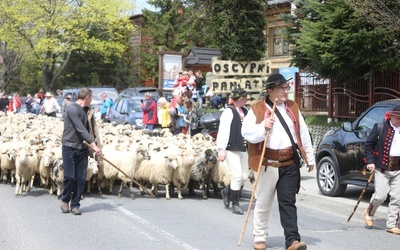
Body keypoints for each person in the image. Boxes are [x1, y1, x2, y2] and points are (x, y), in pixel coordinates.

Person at [242, 73, 315, 250]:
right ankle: (259, 237)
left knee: (288, 202)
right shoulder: (256, 109)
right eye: (282, 88)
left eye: (286, 88)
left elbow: (303, 133)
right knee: (264, 201)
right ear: (270, 90)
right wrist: (263, 126)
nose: (285, 91)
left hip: (289, 162)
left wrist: (310, 157)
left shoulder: (292, 106)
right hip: (267, 163)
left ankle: (292, 240)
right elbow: (246, 132)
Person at [60, 87, 102, 215]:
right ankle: (65, 200)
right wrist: (94, 145)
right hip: (69, 146)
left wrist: (96, 143)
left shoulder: (88, 111)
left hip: (83, 148)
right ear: (87, 97)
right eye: (91, 98)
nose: (92, 101)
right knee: (69, 176)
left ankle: (75, 204)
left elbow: (91, 128)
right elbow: (80, 129)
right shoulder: (72, 109)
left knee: (81, 178)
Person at [364, 104, 400, 235]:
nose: (399, 120)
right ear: (392, 116)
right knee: (380, 196)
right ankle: (369, 212)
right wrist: (370, 162)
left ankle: (391, 224)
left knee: (397, 197)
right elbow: (368, 145)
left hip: (398, 169)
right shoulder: (380, 127)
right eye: (398, 118)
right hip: (382, 168)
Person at [216, 88, 249, 215]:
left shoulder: (246, 111)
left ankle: (227, 191)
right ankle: (235, 203)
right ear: (240, 99)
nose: (246, 100)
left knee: (244, 176)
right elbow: (223, 131)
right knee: (237, 175)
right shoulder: (228, 112)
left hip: (244, 147)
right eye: (245, 97)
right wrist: (221, 149)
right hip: (231, 147)